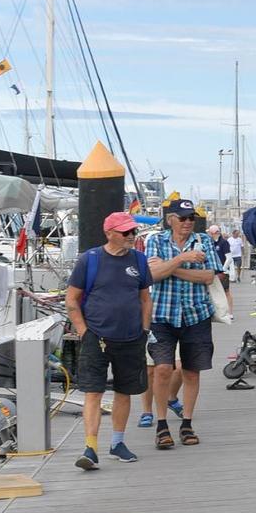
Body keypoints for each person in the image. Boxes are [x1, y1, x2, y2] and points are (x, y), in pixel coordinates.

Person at [64, 212, 152, 470]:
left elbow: (145, 298)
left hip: (132, 336)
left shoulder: (139, 259)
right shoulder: (90, 260)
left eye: (133, 232)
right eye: (126, 232)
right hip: (97, 337)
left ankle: (118, 442)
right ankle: (90, 447)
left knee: (125, 391)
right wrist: (84, 331)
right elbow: (71, 299)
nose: (131, 236)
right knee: (94, 392)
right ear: (110, 233)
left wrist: (145, 328)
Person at [143, 198, 224, 450]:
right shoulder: (155, 241)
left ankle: (187, 423)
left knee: (191, 371)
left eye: (192, 218)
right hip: (162, 315)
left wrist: (171, 267)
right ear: (171, 220)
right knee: (163, 368)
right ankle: (161, 424)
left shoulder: (204, 241)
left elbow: (209, 276)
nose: (188, 222)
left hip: (195, 314)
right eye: (183, 217)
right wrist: (183, 259)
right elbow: (151, 275)